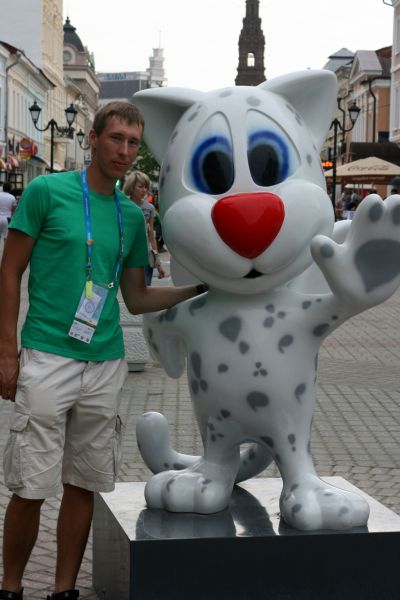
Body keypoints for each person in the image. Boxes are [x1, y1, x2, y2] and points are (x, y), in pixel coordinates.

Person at [0, 101, 206, 600]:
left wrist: (199, 290)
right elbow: (9, 271)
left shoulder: (131, 215)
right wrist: (7, 352)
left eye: (133, 143)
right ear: (93, 139)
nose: (124, 151)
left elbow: (136, 297)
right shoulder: (47, 192)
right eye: (115, 138)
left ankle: (64, 589)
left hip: (105, 362)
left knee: (83, 482)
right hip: (47, 355)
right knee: (30, 484)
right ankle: (10, 587)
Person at [123, 171, 165, 285]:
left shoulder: (149, 208)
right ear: (132, 187)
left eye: (146, 187)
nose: (144, 190)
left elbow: (151, 235)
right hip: (127, 256)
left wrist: (158, 262)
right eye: (140, 187)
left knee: (145, 288)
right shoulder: (123, 205)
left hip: (145, 256)